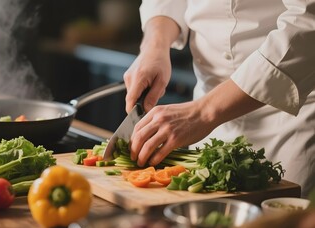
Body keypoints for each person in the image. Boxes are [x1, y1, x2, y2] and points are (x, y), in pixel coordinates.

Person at [124, 0, 315, 197]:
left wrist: (203, 112)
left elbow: (309, 21)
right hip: (203, 121)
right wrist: (154, 46)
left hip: (292, 116)